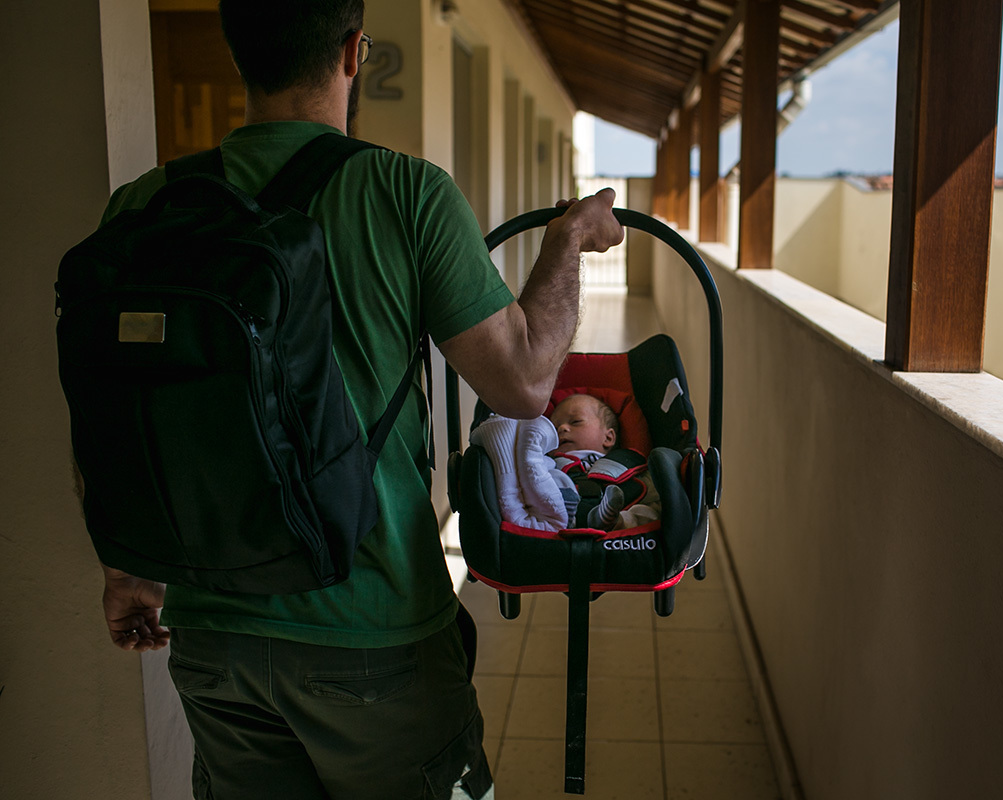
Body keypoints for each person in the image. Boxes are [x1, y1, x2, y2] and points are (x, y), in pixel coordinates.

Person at [93, 2, 624, 799]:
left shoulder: (141, 206)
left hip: (211, 634)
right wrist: (566, 242)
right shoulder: (404, 191)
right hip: (374, 627)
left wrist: (127, 564)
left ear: (237, 53)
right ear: (353, 53)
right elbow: (522, 384)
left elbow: (111, 409)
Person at [471, 393, 659, 531]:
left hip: (618, 508)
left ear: (608, 438)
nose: (562, 428)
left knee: (653, 506)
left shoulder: (627, 461)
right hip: (556, 508)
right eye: (553, 427)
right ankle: (589, 518)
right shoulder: (545, 461)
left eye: (576, 422)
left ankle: (613, 520)